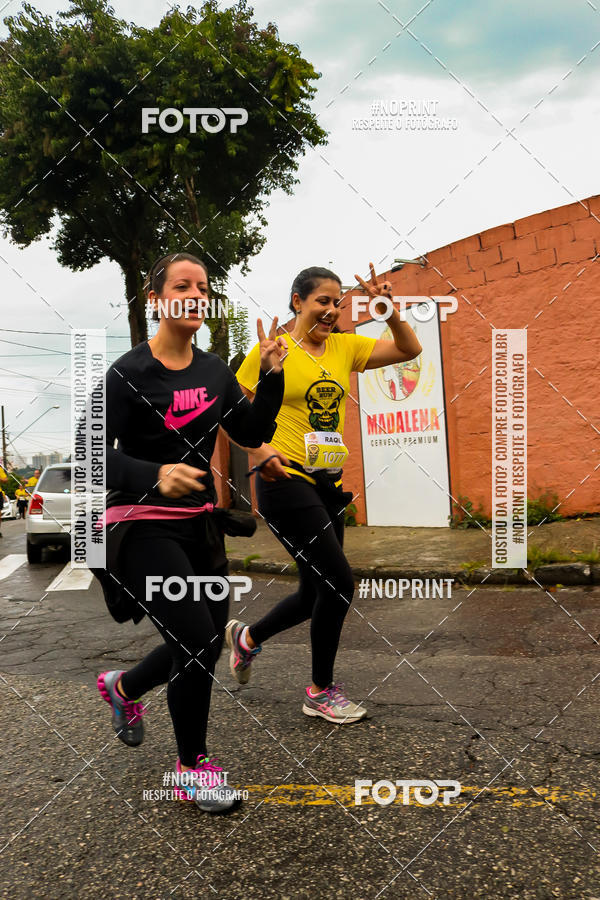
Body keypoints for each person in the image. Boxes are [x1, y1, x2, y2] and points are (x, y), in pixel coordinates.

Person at [92, 251, 286, 814]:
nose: (196, 295)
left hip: (201, 526)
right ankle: (191, 767)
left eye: (203, 287)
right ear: (155, 299)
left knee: (198, 635)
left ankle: (124, 687)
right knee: (199, 639)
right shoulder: (127, 374)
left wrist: (270, 377)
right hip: (140, 526)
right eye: (183, 285)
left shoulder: (214, 371)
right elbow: (90, 454)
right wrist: (153, 474)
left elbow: (251, 429)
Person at [227, 264, 422, 723]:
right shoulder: (271, 350)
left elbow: (408, 349)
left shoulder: (344, 347)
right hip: (283, 478)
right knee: (339, 582)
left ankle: (248, 638)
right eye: (322, 300)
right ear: (297, 301)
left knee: (315, 591)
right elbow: (233, 417)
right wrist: (262, 448)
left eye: (337, 302)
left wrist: (389, 312)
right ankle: (319, 691)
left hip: (326, 482)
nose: (332, 310)